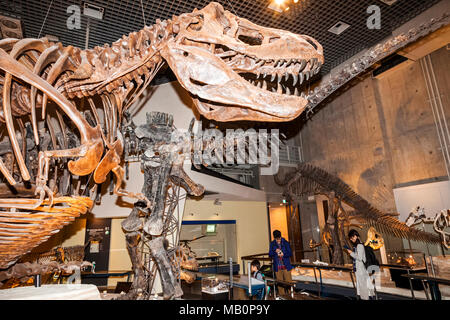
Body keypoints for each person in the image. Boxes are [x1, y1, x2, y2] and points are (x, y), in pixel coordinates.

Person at [345, 229, 375, 300]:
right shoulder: (359, 245)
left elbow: (359, 257)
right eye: (350, 239)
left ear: (355, 236)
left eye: (352, 238)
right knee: (363, 287)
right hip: (360, 270)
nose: (351, 240)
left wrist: (350, 253)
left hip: (361, 270)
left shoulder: (359, 245)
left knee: (363, 288)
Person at [269, 230, 293, 295]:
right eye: (276, 239)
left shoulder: (286, 243)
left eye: (279, 239)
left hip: (286, 266)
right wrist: (275, 251)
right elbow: (270, 254)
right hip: (277, 267)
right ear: (274, 238)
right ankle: (282, 297)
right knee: (280, 284)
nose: (278, 240)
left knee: (289, 283)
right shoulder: (272, 243)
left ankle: (290, 296)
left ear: (280, 236)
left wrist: (283, 254)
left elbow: (290, 253)